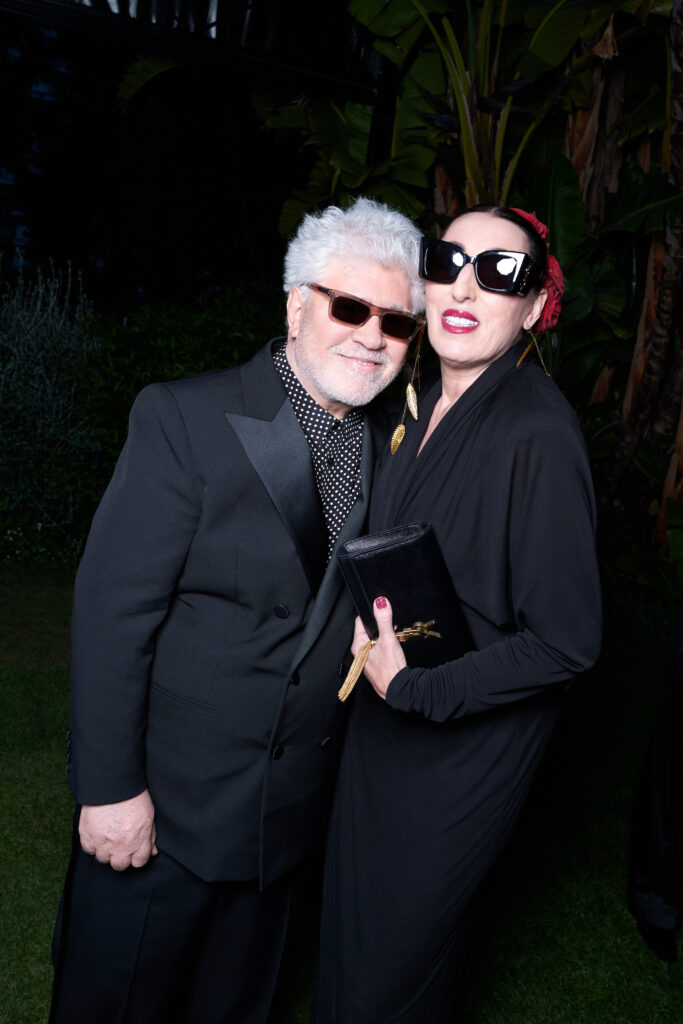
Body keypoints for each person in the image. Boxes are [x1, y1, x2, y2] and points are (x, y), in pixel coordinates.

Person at [48, 196, 425, 1024]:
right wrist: (110, 791)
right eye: (350, 308)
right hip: (163, 819)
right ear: (296, 306)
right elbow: (112, 616)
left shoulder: (390, 447)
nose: (372, 336)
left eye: (396, 323)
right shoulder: (183, 418)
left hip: (281, 834)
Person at [311, 205, 603, 1022]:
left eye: (500, 273)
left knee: (387, 977)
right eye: (447, 262)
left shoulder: (537, 432)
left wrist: (415, 690)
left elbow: (568, 642)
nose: (466, 287)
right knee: (352, 950)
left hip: (452, 752)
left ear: (533, 308)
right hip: (383, 729)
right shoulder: (419, 402)